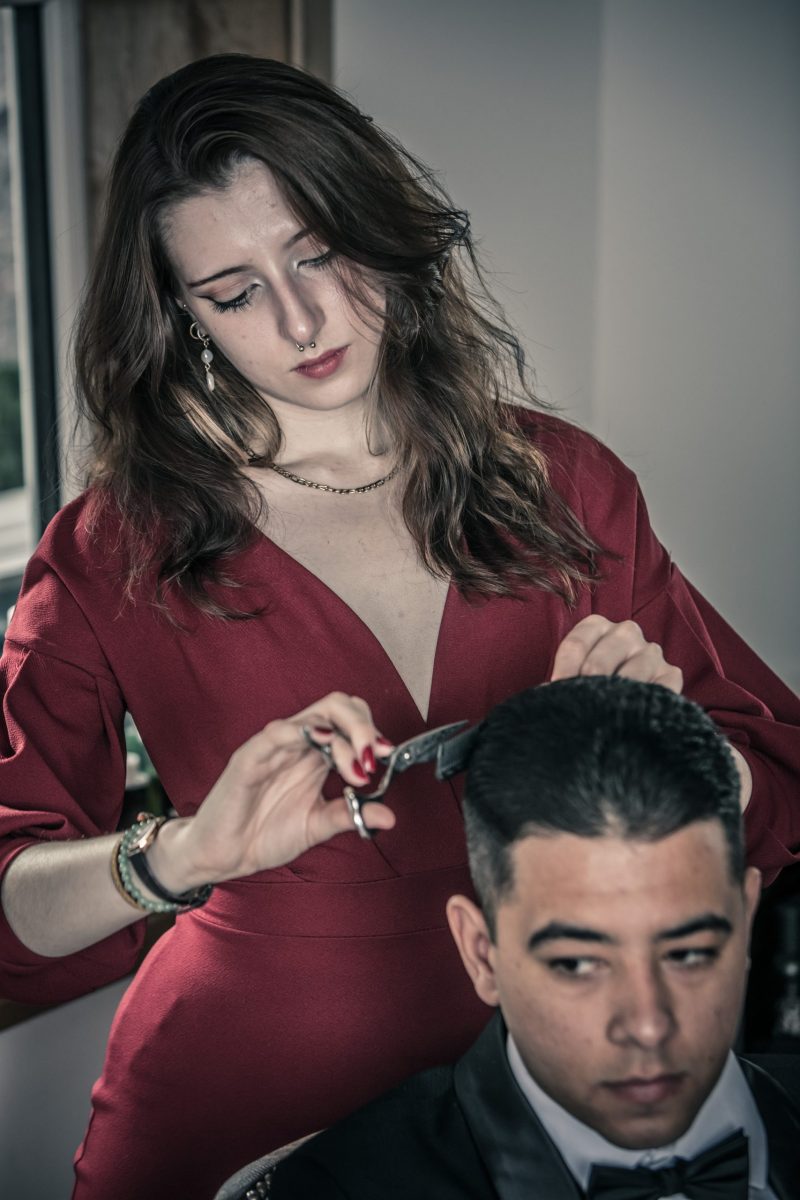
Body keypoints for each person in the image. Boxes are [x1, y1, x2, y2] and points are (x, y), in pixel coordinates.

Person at [0, 52, 797, 1200]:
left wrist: (656, 744)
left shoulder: (566, 483)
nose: (302, 318)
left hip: (550, 1083)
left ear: (376, 230)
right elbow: (10, 903)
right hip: (235, 1094)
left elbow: (773, 779)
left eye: (318, 252)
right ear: (183, 316)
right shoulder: (106, 550)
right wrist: (181, 855)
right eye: (234, 292)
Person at [268, 676, 800, 1199]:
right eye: (576, 964)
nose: (647, 1026)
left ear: (744, 918)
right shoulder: (340, 1188)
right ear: (482, 955)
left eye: (688, 953)